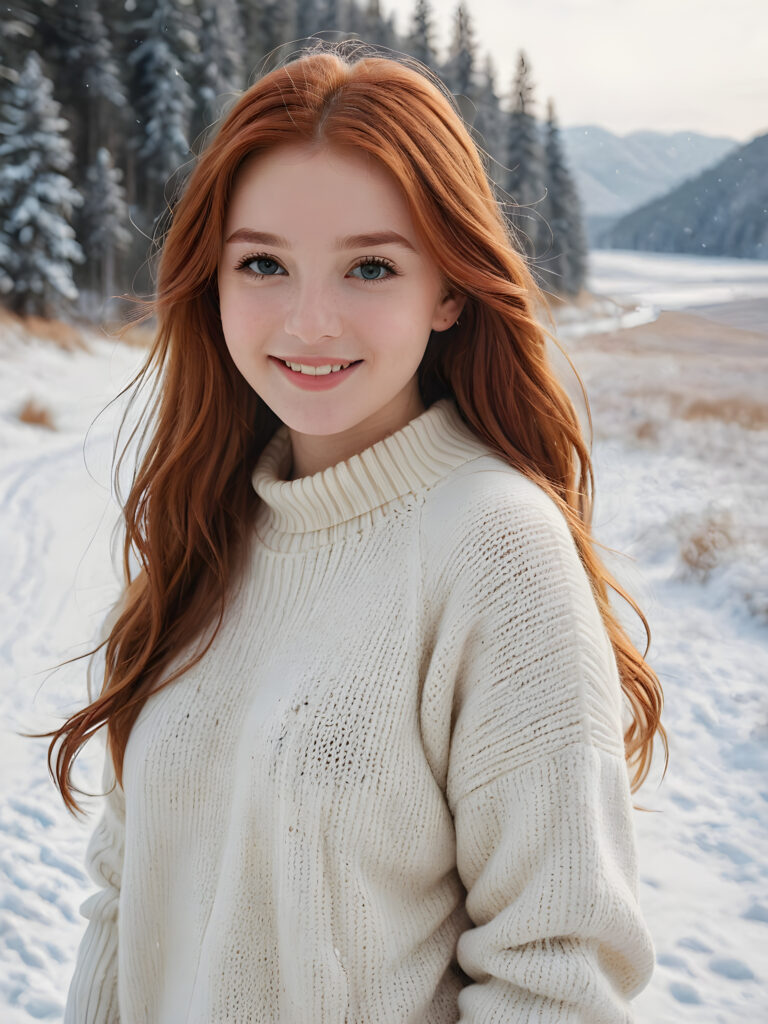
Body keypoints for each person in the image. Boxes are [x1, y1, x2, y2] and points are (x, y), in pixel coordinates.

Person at [40, 40, 666, 1023]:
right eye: (264, 264)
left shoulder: (497, 549)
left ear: (450, 289)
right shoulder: (212, 525)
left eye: (370, 265)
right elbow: (128, 903)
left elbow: (559, 980)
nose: (311, 319)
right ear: (216, 281)